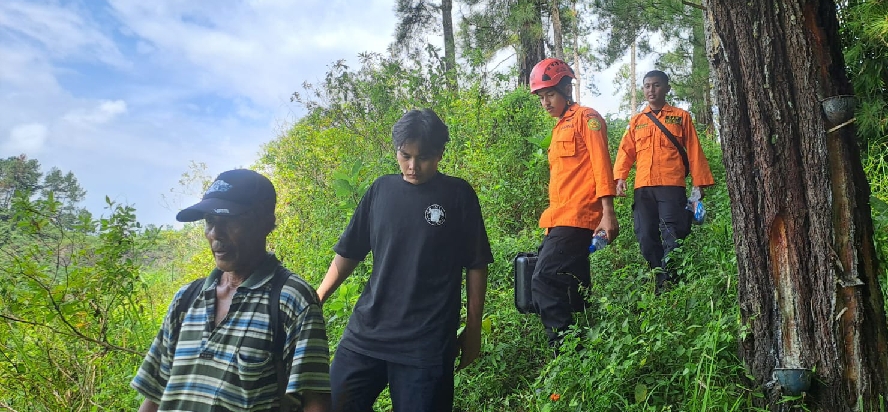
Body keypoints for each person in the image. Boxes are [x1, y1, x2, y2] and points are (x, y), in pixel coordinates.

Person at [316, 108, 493, 412]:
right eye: (405, 155)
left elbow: (476, 264)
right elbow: (349, 252)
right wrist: (317, 297)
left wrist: (473, 328)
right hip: (367, 333)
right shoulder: (380, 190)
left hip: (426, 343)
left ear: (439, 154)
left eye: (422, 157)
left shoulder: (458, 194)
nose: (412, 167)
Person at [132, 168, 331, 411]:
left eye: (229, 220)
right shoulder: (186, 299)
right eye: (210, 221)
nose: (215, 234)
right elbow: (155, 393)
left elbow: (315, 402)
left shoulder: (292, 301)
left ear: (265, 223)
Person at [529, 58, 618, 350]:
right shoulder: (558, 129)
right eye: (541, 97)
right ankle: (589, 347)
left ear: (567, 88)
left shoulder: (586, 119)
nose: (545, 102)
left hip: (579, 216)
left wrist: (607, 214)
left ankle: (566, 353)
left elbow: (602, 167)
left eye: (550, 94)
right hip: (558, 217)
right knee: (572, 286)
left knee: (544, 278)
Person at [613, 70, 715, 293]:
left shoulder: (681, 117)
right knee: (644, 234)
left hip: (671, 184)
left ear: (667, 88)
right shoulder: (637, 121)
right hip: (643, 187)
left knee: (672, 232)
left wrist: (699, 183)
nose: (651, 90)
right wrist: (620, 177)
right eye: (647, 86)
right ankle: (660, 278)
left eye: (656, 85)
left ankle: (672, 281)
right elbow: (626, 151)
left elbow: (694, 151)